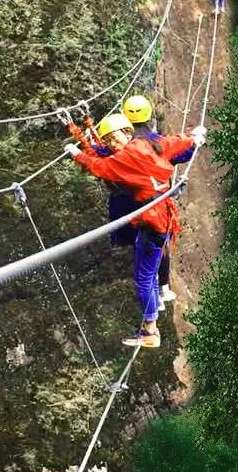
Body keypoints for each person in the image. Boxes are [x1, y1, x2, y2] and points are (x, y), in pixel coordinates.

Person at [65, 113, 206, 348]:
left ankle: (151, 329)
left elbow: (100, 167)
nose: (112, 144)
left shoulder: (126, 158)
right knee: (149, 273)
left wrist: (77, 154)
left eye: (114, 138)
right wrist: (192, 138)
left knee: (142, 279)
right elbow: (171, 143)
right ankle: (153, 313)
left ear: (127, 132)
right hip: (160, 217)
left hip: (153, 222)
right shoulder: (147, 144)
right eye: (108, 141)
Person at [121, 95, 194, 306]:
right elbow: (181, 154)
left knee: (146, 252)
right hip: (157, 206)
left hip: (134, 204)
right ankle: (163, 290)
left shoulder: (125, 144)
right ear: (149, 116)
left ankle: (160, 293)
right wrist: (194, 142)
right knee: (159, 247)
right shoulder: (156, 142)